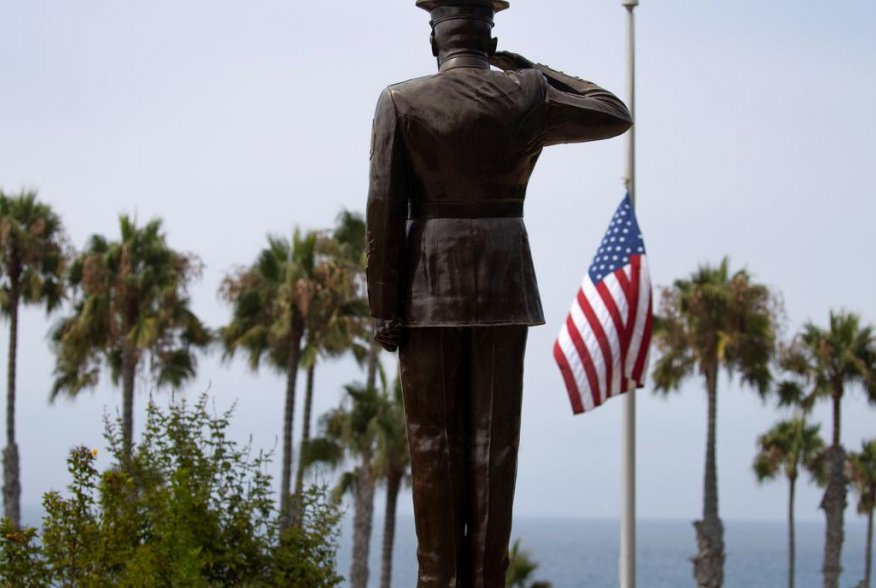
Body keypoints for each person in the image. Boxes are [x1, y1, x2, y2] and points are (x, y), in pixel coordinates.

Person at [365, 1, 632, 586]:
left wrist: (384, 310)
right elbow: (614, 113)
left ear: (434, 37)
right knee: (494, 447)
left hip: (425, 291)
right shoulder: (524, 95)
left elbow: (384, 210)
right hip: (503, 286)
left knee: (432, 447)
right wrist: (534, 71)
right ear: (491, 37)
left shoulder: (400, 101)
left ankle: (436, 578)